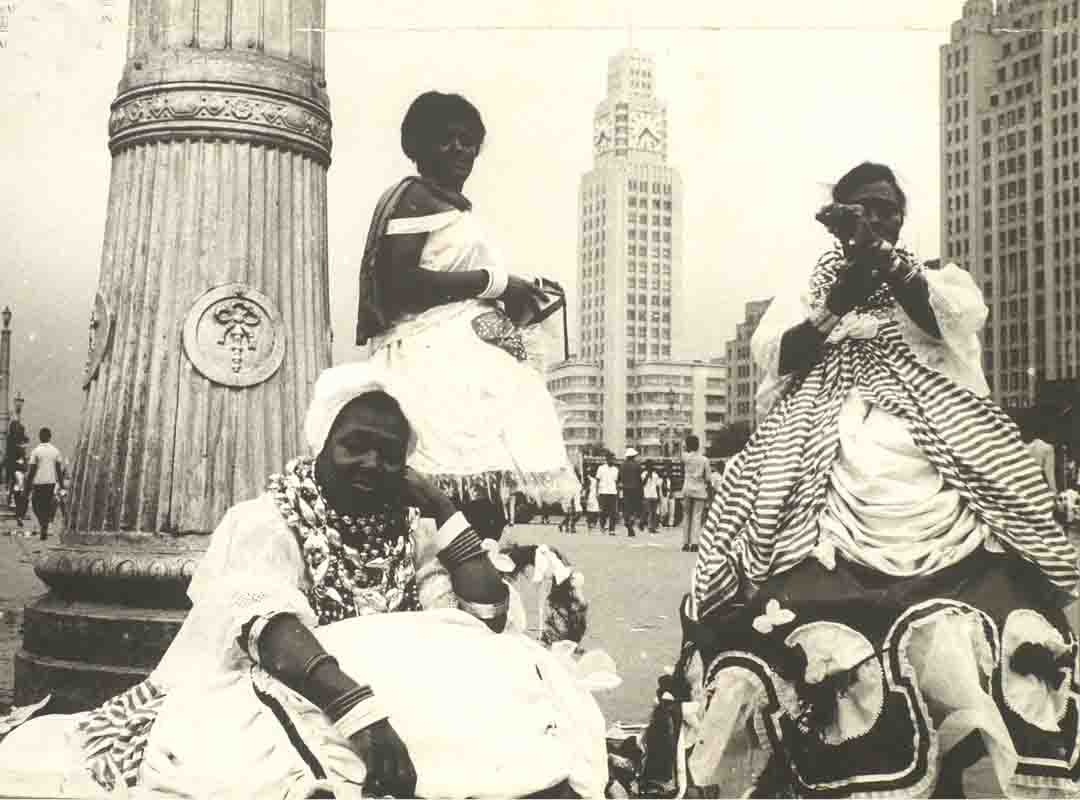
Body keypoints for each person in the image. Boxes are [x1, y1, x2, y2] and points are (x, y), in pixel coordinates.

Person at [0, 363, 609, 798]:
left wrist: (442, 509)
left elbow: (484, 616)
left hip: (404, 698)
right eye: (356, 446)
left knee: (497, 673)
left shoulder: (410, 527)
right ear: (321, 445)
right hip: (286, 691)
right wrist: (362, 717)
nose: (374, 464)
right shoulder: (264, 521)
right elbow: (275, 633)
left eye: (391, 453)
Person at [677, 163, 1080, 798]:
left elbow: (943, 323)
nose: (875, 217)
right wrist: (840, 295)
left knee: (989, 577)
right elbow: (783, 359)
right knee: (761, 551)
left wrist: (885, 260)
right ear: (835, 219)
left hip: (925, 427)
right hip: (823, 428)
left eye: (886, 209)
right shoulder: (809, 290)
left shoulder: (932, 276)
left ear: (900, 217)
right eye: (861, 208)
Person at [354, 90, 579, 533]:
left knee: (482, 509)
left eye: (468, 140)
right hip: (429, 362)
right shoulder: (414, 197)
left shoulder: (457, 210)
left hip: (470, 366)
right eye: (445, 139)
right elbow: (401, 285)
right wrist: (495, 283)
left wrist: (517, 297)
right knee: (438, 501)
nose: (459, 149)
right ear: (418, 147)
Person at [26, 427, 65, 541]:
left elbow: (32, 469)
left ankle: (43, 523)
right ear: (50, 437)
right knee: (47, 505)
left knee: (36, 505)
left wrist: (27, 485)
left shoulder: (36, 451)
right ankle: (45, 524)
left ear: (40, 437)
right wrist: (62, 485)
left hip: (38, 482)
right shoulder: (55, 451)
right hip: (50, 482)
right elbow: (58, 470)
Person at [680, 436, 710, 553]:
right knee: (697, 517)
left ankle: (685, 543)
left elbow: (681, 450)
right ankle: (695, 543)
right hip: (700, 490)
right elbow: (707, 477)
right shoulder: (704, 460)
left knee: (686, 516)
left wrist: (684, 446)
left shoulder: (686, 458)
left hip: (687, 489)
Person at [617, 449, 643, 537]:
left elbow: (619, 478)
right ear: (633, 456)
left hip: (625, 489)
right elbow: (640, 479)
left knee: (627, 507)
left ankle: (628, 521)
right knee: (635, 508)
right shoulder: (637, 465)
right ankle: (631, 521)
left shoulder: (622, 466)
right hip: (636, 489)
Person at [596, 454, 619, 535]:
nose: (612, 461)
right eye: (610, 459)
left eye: (613, 459)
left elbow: (616, 482)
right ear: (607, 459)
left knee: (613, 512)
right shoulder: (601, 468)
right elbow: (597, 481)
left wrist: (617, 492)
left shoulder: (615, 469)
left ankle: (611, 529)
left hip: (613, 493)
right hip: (603, 492)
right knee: (603, 512)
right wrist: (596, 492)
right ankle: (602, 526)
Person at [642, 460, 662, 533]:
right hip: (647, 495)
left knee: (654, 512)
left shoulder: (655, 475)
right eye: (649, 465)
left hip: (654, 495)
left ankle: (653, 527)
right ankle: (649, 527)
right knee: (649, 512)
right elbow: (642, 484)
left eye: (651, 465)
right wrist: (647, 476)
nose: (650, 467)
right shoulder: (644, 474)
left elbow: (657, 486)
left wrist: (658, 495)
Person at [10, 456, 27, 529]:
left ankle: (20, 517)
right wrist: (10, 492)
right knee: (19, 504)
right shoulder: (16, 473)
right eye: (20, 465)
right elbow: (13, 483)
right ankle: (19, 518)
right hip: (17, 490)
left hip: (22, 490)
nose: (21, 466)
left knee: (22, 505)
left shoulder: (25, 474)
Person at [584, 467, 600, 531]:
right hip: (591, 496)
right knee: (592, 510)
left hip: (593, 495)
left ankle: (591, 523)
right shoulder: (589, 479)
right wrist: (586, 497)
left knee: (593, 510)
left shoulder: (594, 479)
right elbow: (587, 488)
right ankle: (590, 523)